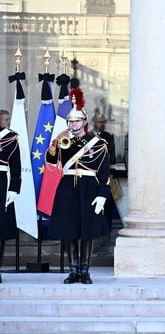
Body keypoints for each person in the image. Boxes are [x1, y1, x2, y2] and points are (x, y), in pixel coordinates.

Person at [47, 88, 110, 284]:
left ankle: (85, 270)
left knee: (87, 232)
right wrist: (55, 143)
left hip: (89, 187)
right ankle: (73, 270)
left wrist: (102, 196)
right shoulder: (63, 141)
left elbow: (105, 173)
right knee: (69, 230)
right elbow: (50, 162)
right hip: (67, 187)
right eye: (70, 121)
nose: (73, 124)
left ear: (84, 122)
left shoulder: (99, 144)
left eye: (76, 121)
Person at [0, 109, 21, 284]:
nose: (8, 121)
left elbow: (16, 166)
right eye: (6, 119)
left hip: (1, 183)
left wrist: (14, 189)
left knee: (1, 229)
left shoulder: (11, 137)